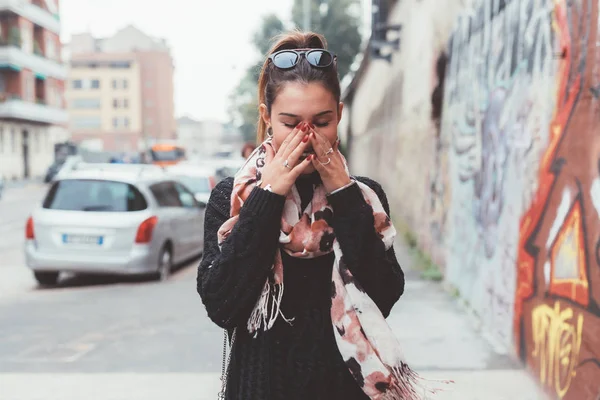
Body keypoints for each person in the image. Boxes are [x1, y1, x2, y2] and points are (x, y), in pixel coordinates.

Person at [197, 31, 415, 400]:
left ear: (340, 116)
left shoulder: (364, 197)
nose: (307, 136)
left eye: (322, 121)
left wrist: (344, 194)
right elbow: (222, 304)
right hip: (261, 389)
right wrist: (267, 198)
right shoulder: (232, 198)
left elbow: (384, 295)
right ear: (267, 118)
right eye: (290, 123)